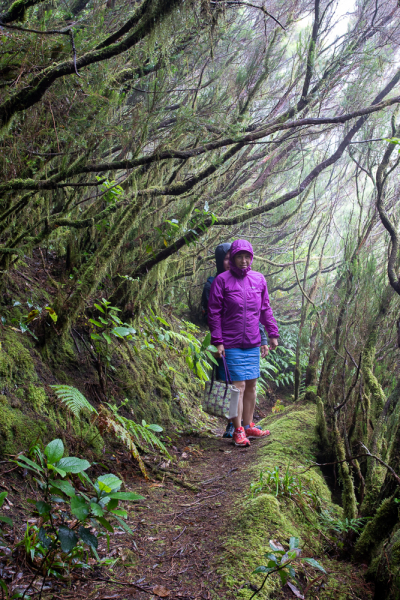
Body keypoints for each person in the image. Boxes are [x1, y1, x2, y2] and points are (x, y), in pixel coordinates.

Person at [208, 239, 279, 447]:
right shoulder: (221, 280)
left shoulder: (259, 279)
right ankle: (237, 429)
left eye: (247, 257)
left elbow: (265, 308)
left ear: (252, 258)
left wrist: (272, 333)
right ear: (232, 258)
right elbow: (214, 313)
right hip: (230, 343)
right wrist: (218, 341)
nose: (244, 261)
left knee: (252, 386)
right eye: (239, 256)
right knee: (236, 388)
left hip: (251, 342)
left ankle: (248, 426)